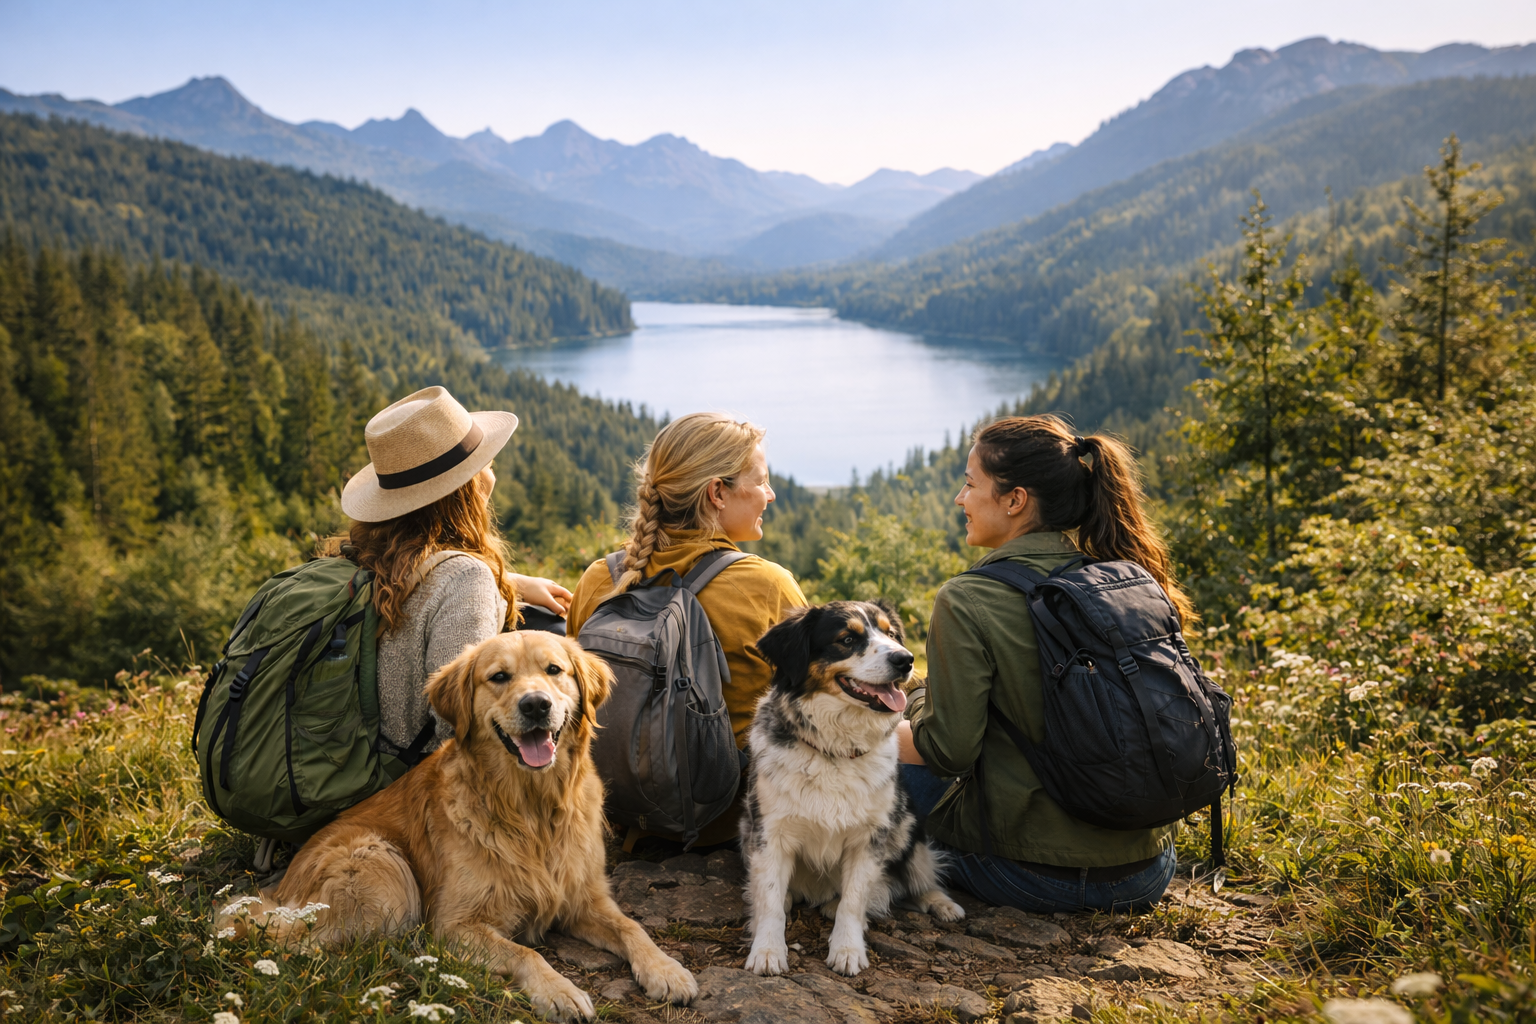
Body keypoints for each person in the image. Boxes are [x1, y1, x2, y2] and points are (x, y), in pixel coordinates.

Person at [895, 415, 1194, 913]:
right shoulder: (1123, 578)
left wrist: (918, 697)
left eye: (970, 485)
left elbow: (948, 752)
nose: (960, 499)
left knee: (872, 770)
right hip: (1145, 870)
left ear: (1015, 500)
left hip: (1028, 875)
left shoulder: (968, 598)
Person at [565, 412, 807, 847]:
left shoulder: (600, 579)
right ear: (717, 492)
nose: (769, 495)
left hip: (623, 808)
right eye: (762, 480)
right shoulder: (766, 585)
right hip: (732, 823)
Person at [336, 386, 573, 763]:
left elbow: (425, 591)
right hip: (416, 784)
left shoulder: (363, 558)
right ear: (468, 486)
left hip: (353, 764)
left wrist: (509, 582)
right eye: (487, 463)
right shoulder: (466, 581)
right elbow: (459, 725)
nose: (492, 472)